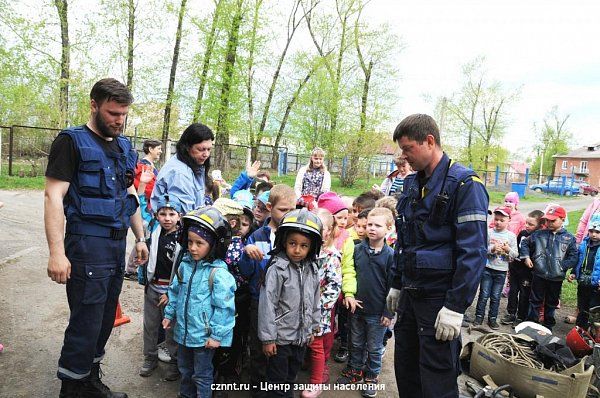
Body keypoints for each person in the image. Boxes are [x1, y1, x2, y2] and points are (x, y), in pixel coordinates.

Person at [44, 78, 149, 398]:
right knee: (86, 320)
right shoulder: (71, 141)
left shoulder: (124, 147)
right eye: (113, 113)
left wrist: (140, 238)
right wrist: (56, 253)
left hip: (116, 245)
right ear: (94, 105)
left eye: (124, 114)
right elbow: (53, 196)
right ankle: (72, 389)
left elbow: (128, 193)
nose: (119, 120)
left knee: (104, 319)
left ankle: (88, 379)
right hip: (87, 244)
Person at [385, 114, 489, 398]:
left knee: (436, 382)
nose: (403, 156)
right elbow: (404, 239)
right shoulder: (411, 184)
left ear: (429, 141)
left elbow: (474, 252)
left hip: (439, 301)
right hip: (409, 295)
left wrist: (456, 307)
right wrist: (396, 282)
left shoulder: (465, 185)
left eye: (408, 149)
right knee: (406, 372)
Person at [162, 207, 236, 398]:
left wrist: (217, 335)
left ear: (213, 245)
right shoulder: (185, 265)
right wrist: (169, 314)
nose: (193, 248)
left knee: (202, 375)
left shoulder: (218, 274)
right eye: (190, 242)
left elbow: (225, 308)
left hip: (204, 338)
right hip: (184, 333)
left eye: (199, 243)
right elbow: (175, 292)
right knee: (185, 370)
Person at [238, 184, 297, 397]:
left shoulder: (296, 237)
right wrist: (246, 253)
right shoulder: (257, 236)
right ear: (270, 207)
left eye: (293, 209)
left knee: (281, 352)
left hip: (286, 305)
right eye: (283, 210)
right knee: (259, 350)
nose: (289, 214)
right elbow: (246, 273)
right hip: (259, 301)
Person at [258, 209, 323, 397]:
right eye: (292, 243)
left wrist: (312, 327)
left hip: (301, 336)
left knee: (291, 378)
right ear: (284, 241)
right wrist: (268, 339)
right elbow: (267, 305)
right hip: (279, 339)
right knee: (277, 382)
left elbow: (315, 299)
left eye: (304, 245)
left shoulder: (311, 268)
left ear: (312, 247)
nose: (297, 250)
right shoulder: (277, 269)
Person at [337, 208, 395, 398]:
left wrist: (388, 312)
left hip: (377, 313)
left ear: (388, 228)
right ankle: (355, 370)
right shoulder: (357, 249)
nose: (371, 228)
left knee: (375, 347)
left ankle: (371, 376)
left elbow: (392, 287)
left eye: (377, 225)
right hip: (357, 308)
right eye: (369, 224)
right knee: (355, 342)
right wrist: (349, 294)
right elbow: (349, 273)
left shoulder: (390, 256)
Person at [138, 194, 182, 381]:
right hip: (153, 288)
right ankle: (150, 357)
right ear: (157, 216)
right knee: (150, 325)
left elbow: (184, 269)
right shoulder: (153, 231)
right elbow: (139, 211)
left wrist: (173, 293)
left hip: (171, 292)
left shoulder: (184, 237)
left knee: (171, 328)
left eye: (172, 214)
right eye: (163, 213)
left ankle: (174, 362)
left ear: (179, 216)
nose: (167, 218)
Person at [303, 209, 342, 398]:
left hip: (318, 312)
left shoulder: (331, 256)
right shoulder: (304, 250)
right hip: (299, 309)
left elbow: (334, 286)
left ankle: (315, 382)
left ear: (328, 231)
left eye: (321, 228)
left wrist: (320, 306)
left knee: (317, 347)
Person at [521, 204, 578, 330]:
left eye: (553, 220)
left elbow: (574, 256)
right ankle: (532, 323)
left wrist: (562, 266)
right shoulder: (539, 234)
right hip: (539, 274)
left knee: (551, 303)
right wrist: (526, 257)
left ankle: (548, 325)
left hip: (556, 277)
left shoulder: (569, 238)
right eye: (547, 220)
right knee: (535, 300)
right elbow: (525, 242)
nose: (549, 223)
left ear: (562, 220)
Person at [151, 123, 215, 214]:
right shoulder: (179, 174)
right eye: (201, 149)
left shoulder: (193, 164)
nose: (206, 154)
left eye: (209, 149)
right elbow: (185, 216)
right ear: (187, 147)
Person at [473, 206, 518, 330]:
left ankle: (492, 319)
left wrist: (507, 249)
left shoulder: (511, 236)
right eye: (496, 219)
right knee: (484, 294)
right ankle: (479, 316)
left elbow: (515, 255)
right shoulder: (489, 232)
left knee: (496, 296)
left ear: (508, 220)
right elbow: (481, 249)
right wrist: (492, 249)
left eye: (502, 220)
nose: (498, 222)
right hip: (487, 268)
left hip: (501, 271)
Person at [501, 210, 544, 325]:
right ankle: (511, 314)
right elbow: (516, 249)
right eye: (526, 223)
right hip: (515, 268)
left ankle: (521, 317)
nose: (527, 226)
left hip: (528, 272)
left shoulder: (540, 238)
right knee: (513, 292)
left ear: (539, 225)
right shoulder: (523, 233)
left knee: (525, 294)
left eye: (531, 224)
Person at [569, 215, 600, 328]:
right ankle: (580, 329)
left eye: (597, 231)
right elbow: (579, 260)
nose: (594, 234)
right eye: (591, 231)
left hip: (596, 285)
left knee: (594, 308)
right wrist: (573, 272)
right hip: (583, 281)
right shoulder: (584, 244)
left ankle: (592, 331)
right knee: (582, 305)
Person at [133, 139, 163, 210]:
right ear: (150, 149)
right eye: (158, 148)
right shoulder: (142, 167)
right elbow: (147, 191)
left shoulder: (150, 165)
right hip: (146, 207)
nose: (161, 151)